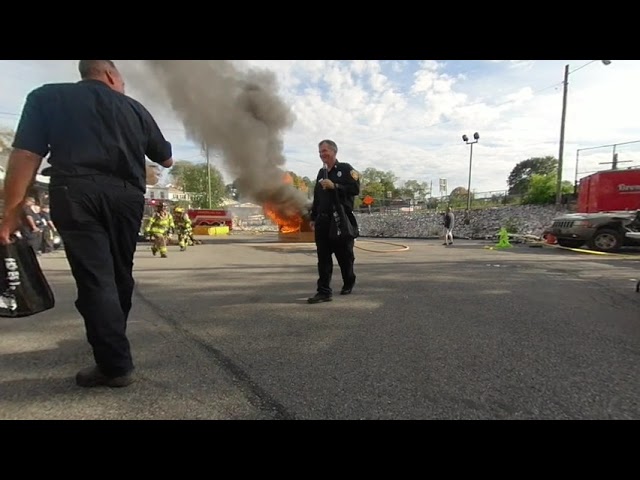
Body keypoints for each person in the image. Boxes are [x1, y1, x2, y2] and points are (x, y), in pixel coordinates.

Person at [0, 60, 174, 388]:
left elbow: (25, 155)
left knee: (97, 277)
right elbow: (165, 158)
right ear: (111, 75)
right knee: (119, 275)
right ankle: (111, 346)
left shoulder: (47, 97)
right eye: (122, 81)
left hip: (75, 193)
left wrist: (11, 210)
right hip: (126, 197)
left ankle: (113, 362)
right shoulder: (135, 108)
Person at [307, 139, 360, 304]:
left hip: (340, 220)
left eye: (325, 151)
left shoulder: (345, 169)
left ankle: (349, 281)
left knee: (345, 257)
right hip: (323, 222)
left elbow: (356, 189)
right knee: (323, 258)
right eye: (320, 152)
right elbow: (317, 198)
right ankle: (323, 291)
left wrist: (335, 186)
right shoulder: (320, 173)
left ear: (334, 152)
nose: (322, 154)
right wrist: (313, 217)